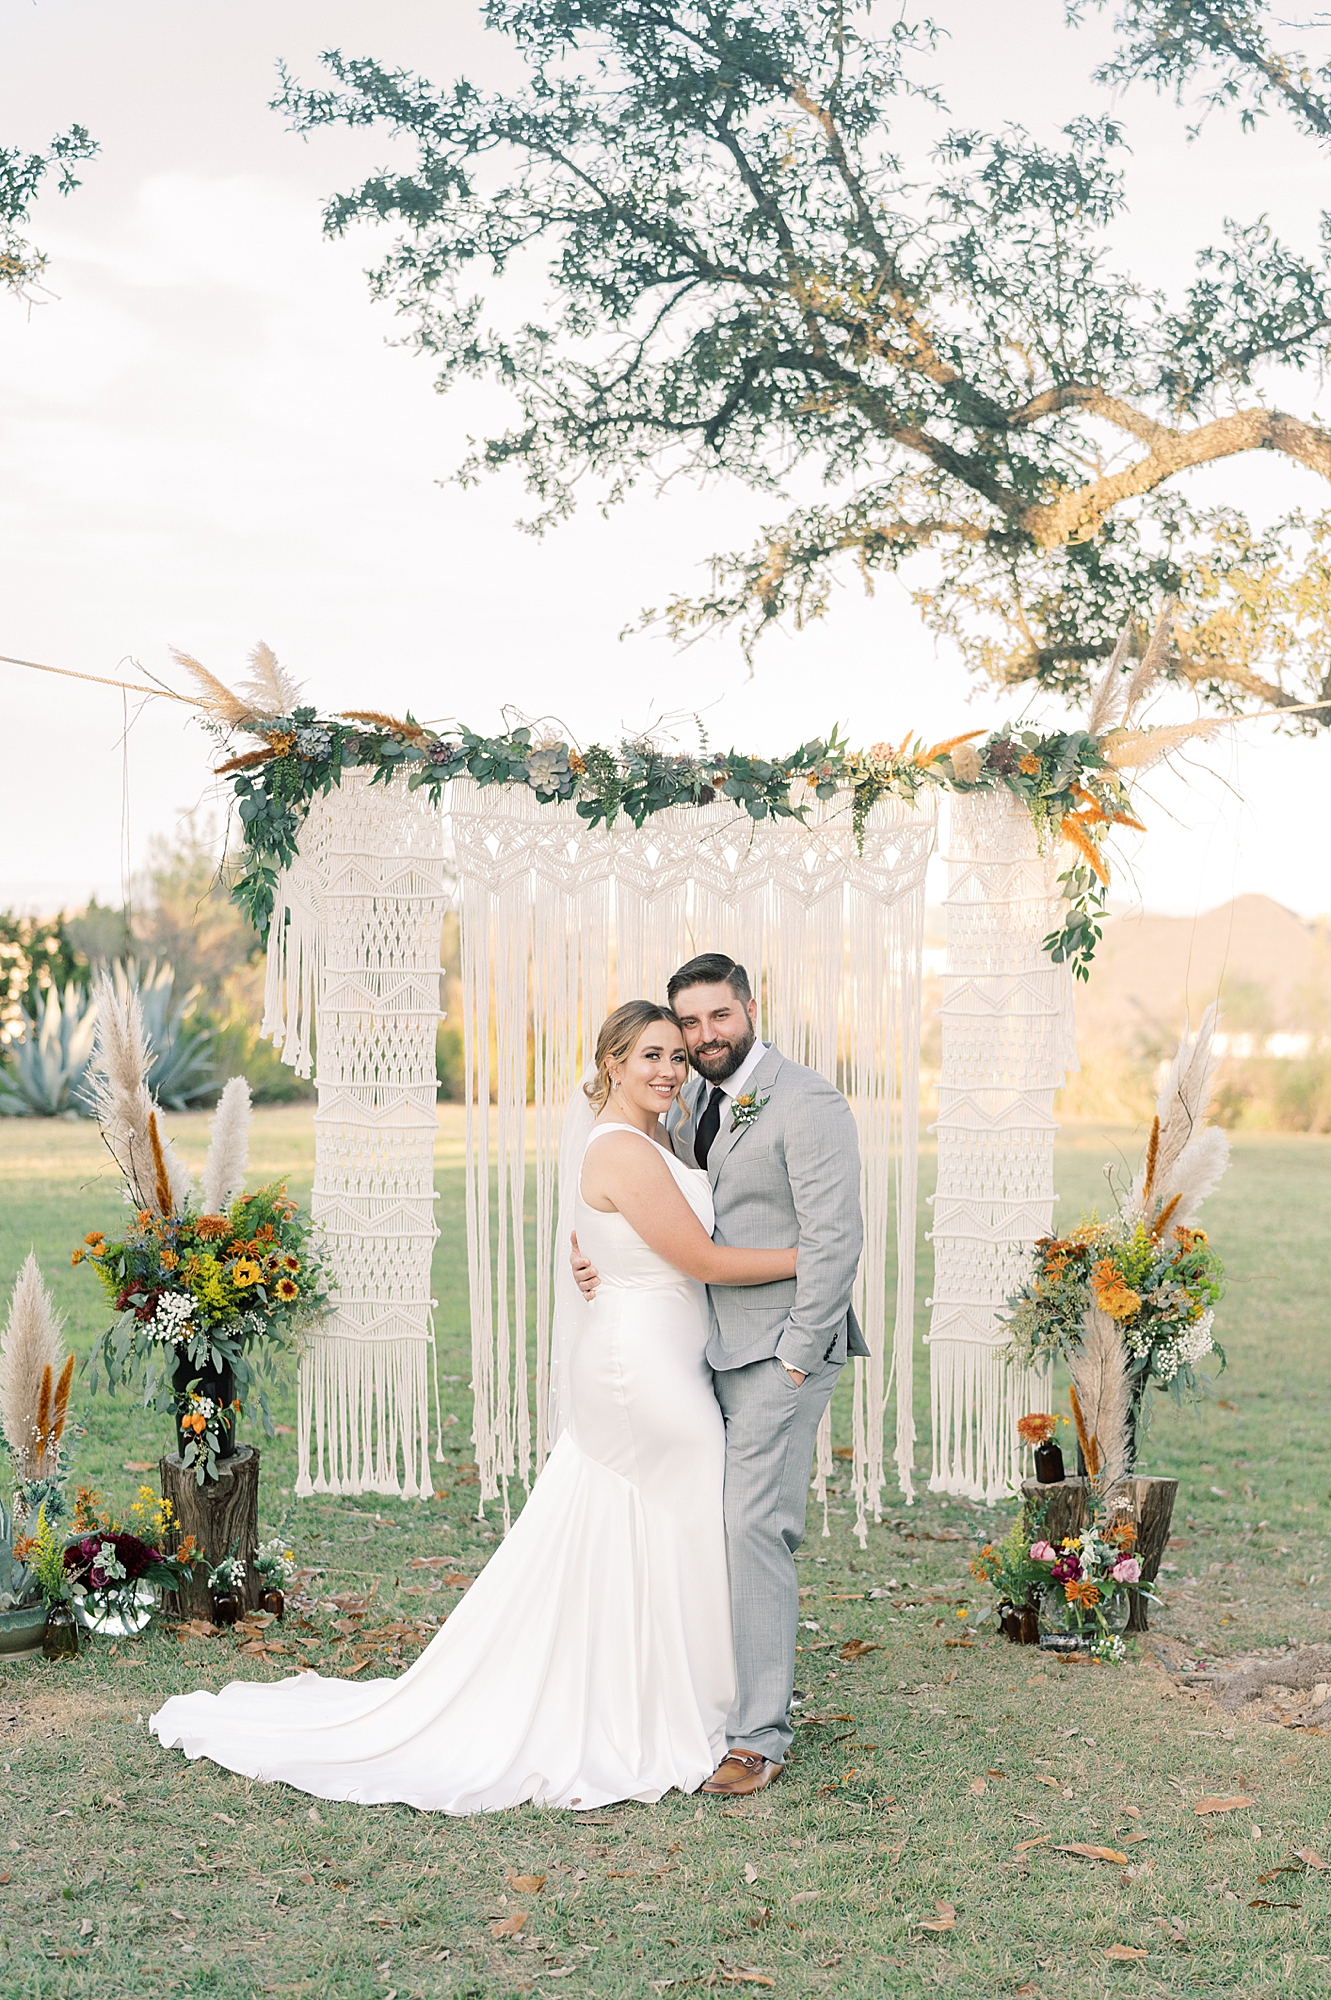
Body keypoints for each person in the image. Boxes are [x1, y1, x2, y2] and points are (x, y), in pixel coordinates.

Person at [150, 1001, 798, 1815]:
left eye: (675, 1056)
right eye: (650, 1057)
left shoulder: (660, 1136)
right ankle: (667, 1707)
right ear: (611, 1065)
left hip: (663, 1354)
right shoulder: (623, 1148)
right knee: (685, 1517)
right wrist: (809, 1258)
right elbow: (699, 1257)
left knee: (661, 1527)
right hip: (642, 1374)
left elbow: (631, 1239)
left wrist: (594, 1256)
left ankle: (666, 1696)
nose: (668, 1070)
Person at [573, 953, 865, 1799]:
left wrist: (801, 1352)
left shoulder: (806, 1103)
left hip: (778, 1352)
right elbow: (652, 1215)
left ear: (748, 1007)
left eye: (716, 1019)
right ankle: (694, 1693)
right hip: (701, 1353)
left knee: (751, 1530)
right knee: (710, 1525)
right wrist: (592, 1257)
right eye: (687, 1025)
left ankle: (758, 1737)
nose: (702, 1039)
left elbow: (833, 1241)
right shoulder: (688, 1100)